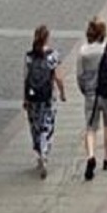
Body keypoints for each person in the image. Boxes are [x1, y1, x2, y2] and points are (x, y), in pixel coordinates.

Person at [76, 17, 107, 181]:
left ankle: (90, 156)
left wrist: (85, 89)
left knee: (91, 128)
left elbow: (80, 76)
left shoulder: (83, 52)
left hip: (91, 95)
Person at [23, 24, 66, 179]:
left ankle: (39, 151)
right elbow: (59, 78)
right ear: (47, 38)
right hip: (47, 98)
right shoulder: (53, 56)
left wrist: (25, 99)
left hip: (33, 98)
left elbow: (26, 79)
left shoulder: (29, 56)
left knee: (35, 126)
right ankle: (44, 151)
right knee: (46, 125)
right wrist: (62, 93)